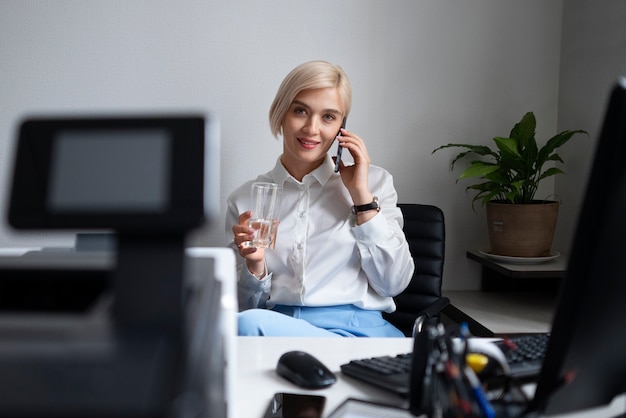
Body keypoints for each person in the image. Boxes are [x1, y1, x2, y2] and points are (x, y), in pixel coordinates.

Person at [226, 60, 414, 337]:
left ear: (342, 127)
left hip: (360, 333)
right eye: (300, 111)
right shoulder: (245, 199)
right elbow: (245, 308)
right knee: (241, 325)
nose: (312, 128)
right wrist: (255, 265)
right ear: (281, 114)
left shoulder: (374, 183)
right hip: (275, 332)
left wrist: (361, 199)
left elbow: (393, 284)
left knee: (245, 327)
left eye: (328, 117)